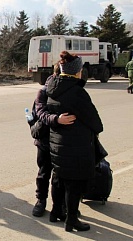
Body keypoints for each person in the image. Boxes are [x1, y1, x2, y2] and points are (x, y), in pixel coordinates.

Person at [46, 51, 103, 232]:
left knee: (59, 178)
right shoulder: (77, 92)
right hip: (76, 144)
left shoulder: (52, 87)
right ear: (76, 72)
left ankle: (56, 212)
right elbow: (95, 121)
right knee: (75, 183)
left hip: (57, 143)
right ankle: (71, 221)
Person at [29, 62, 76, 219]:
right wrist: (56, 120)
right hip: (45, 141)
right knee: (44, 173)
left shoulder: (71, 91)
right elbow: (38, 114)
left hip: (63, 142)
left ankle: (62, 204)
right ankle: (41, 201)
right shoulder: (43, 92)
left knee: (61, 176)